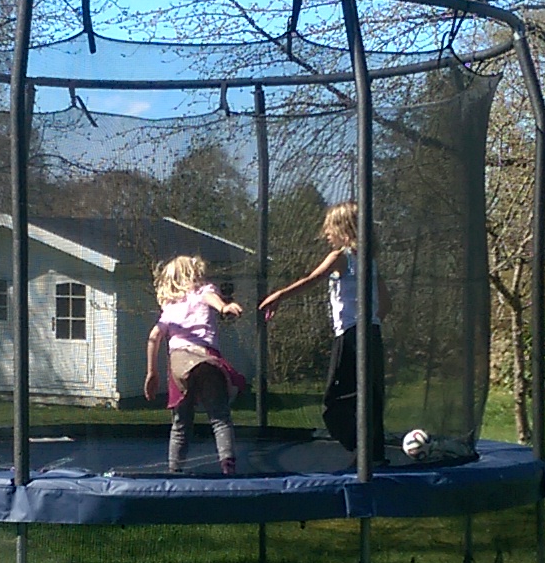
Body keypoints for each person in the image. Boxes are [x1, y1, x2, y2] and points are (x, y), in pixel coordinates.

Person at [259, 200, 386, 455]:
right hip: (372, 334)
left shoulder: (340, 257)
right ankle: (373, 453)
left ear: (344, 229)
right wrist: (372, 320)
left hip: (351, 334)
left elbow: (312, 279)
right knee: (368, 395)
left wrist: (280, 295)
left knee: (335, 400)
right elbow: (386, 303)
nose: (326, 233)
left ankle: (361, 449)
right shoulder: (369, 261)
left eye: (330, 228)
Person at [144, 252, 245, 474]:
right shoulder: (202, 291)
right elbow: (211, 298)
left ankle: (174, 469)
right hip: (205, 358)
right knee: (219, 417)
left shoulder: (169, 309)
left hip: (179, 363)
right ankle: (228, 465)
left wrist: (152, 372)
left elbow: (154, 337)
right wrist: (223, 307)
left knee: (181, 422)